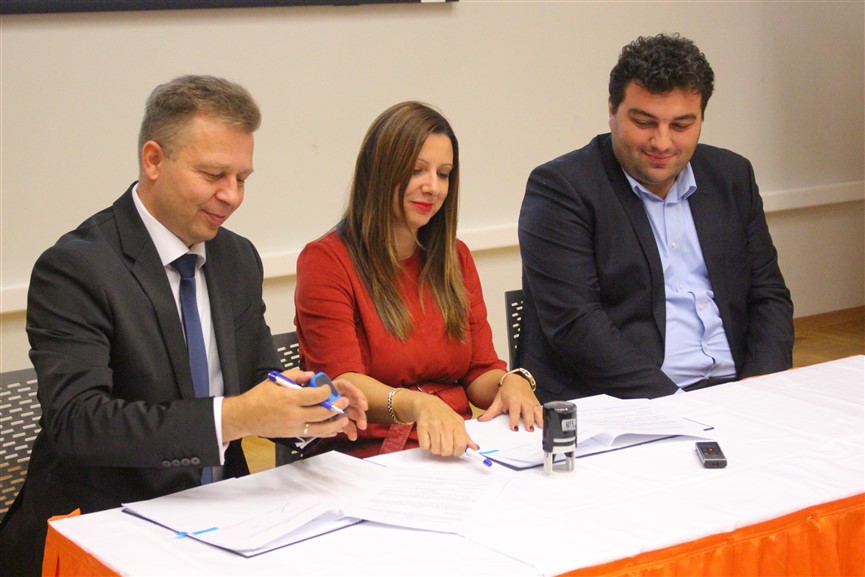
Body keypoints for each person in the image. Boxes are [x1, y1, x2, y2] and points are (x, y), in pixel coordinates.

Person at [0, 75, 367, 575]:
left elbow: (256, 383)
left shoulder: (236, 258)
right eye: (214, 174)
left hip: (225, 519)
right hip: (106, 524)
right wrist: (233, 417)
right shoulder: (76, 268)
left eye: (242, 178)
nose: (232, 196)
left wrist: (310, 409)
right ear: (154, 160)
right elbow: (79, 424)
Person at [518, 33, 794, 402]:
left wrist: (761, 386)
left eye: (681, 125)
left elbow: (769, 295)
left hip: (737, 390)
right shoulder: (562, 188)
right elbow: (576, 325)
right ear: (612, 111)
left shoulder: (731, 176)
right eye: (645, 122)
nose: (662, 143)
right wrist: (678, 405)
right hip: (630, 401)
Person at [295, 101, 542, 459]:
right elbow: (343, 384)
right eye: (416, 170)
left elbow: (479, 372)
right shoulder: (326, 261)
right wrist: (417, 404)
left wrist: (509, 382)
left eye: (444, 174)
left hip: (455, 446)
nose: (433, 187)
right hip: (368, 455)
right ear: (380, 172)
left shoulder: (455, 257)